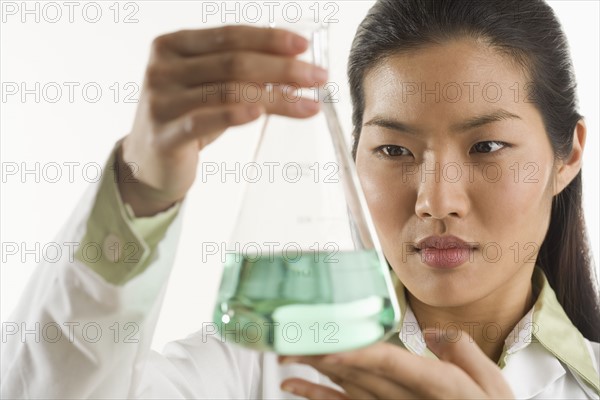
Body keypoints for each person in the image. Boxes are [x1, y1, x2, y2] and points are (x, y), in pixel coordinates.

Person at [2, 0, 599, 398]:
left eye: (487, 145)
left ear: (567, 154)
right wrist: (141, 185)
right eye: (394, 151)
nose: (435, 201)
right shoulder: (263, 360)